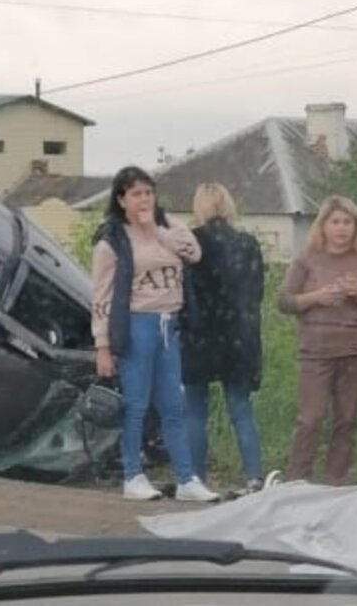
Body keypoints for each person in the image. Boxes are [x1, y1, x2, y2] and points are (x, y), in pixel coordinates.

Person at [91, 166, 220, 502]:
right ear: (121, 199)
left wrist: (156, 231)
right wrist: (102, 345)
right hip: (137, 322)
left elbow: (195, 254)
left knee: (173, 405)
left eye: (148, 192)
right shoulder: (112, 242)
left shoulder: (171, 228)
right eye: (136, 194)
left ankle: (186, 478)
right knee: (136, 402)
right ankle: (132, 474)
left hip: (168, 321)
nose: (144, 199)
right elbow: (101, 297)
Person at [278, 195, 357, 485]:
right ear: (323, 225)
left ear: (356, 227)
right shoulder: (306, 258)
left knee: (346, 420)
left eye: (347, 222)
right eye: (335, 222)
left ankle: (335, 484)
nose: (341, 228)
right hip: (314, 350)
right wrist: (317, 297)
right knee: (310, 419)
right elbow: (284, 301)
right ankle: (296, 483)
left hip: (355, 349)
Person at [181, 183, 265, 493]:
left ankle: (196, 478)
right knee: (240, 408)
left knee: (195, 411)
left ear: (199, 207)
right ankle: (254, 476)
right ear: (228, 206)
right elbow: (256, 292)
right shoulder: (248, 244)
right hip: (238, 334)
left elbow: (183, 293)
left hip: (199, 333)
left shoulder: (190, 245)